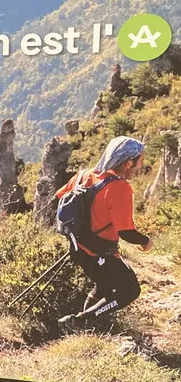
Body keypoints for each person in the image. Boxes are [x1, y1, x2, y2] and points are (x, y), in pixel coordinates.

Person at [57, 136, 152, 324]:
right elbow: (126, 232)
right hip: (99, 252)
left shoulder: (84, 175)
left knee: (103, 286)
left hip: (78, 248)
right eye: (139, 161)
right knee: (130, 290)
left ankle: (86, 327)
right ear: (128, 163)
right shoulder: (119, 188)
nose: (141, 166)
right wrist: (146, 241)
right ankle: (80, 321)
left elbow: (59, 197)